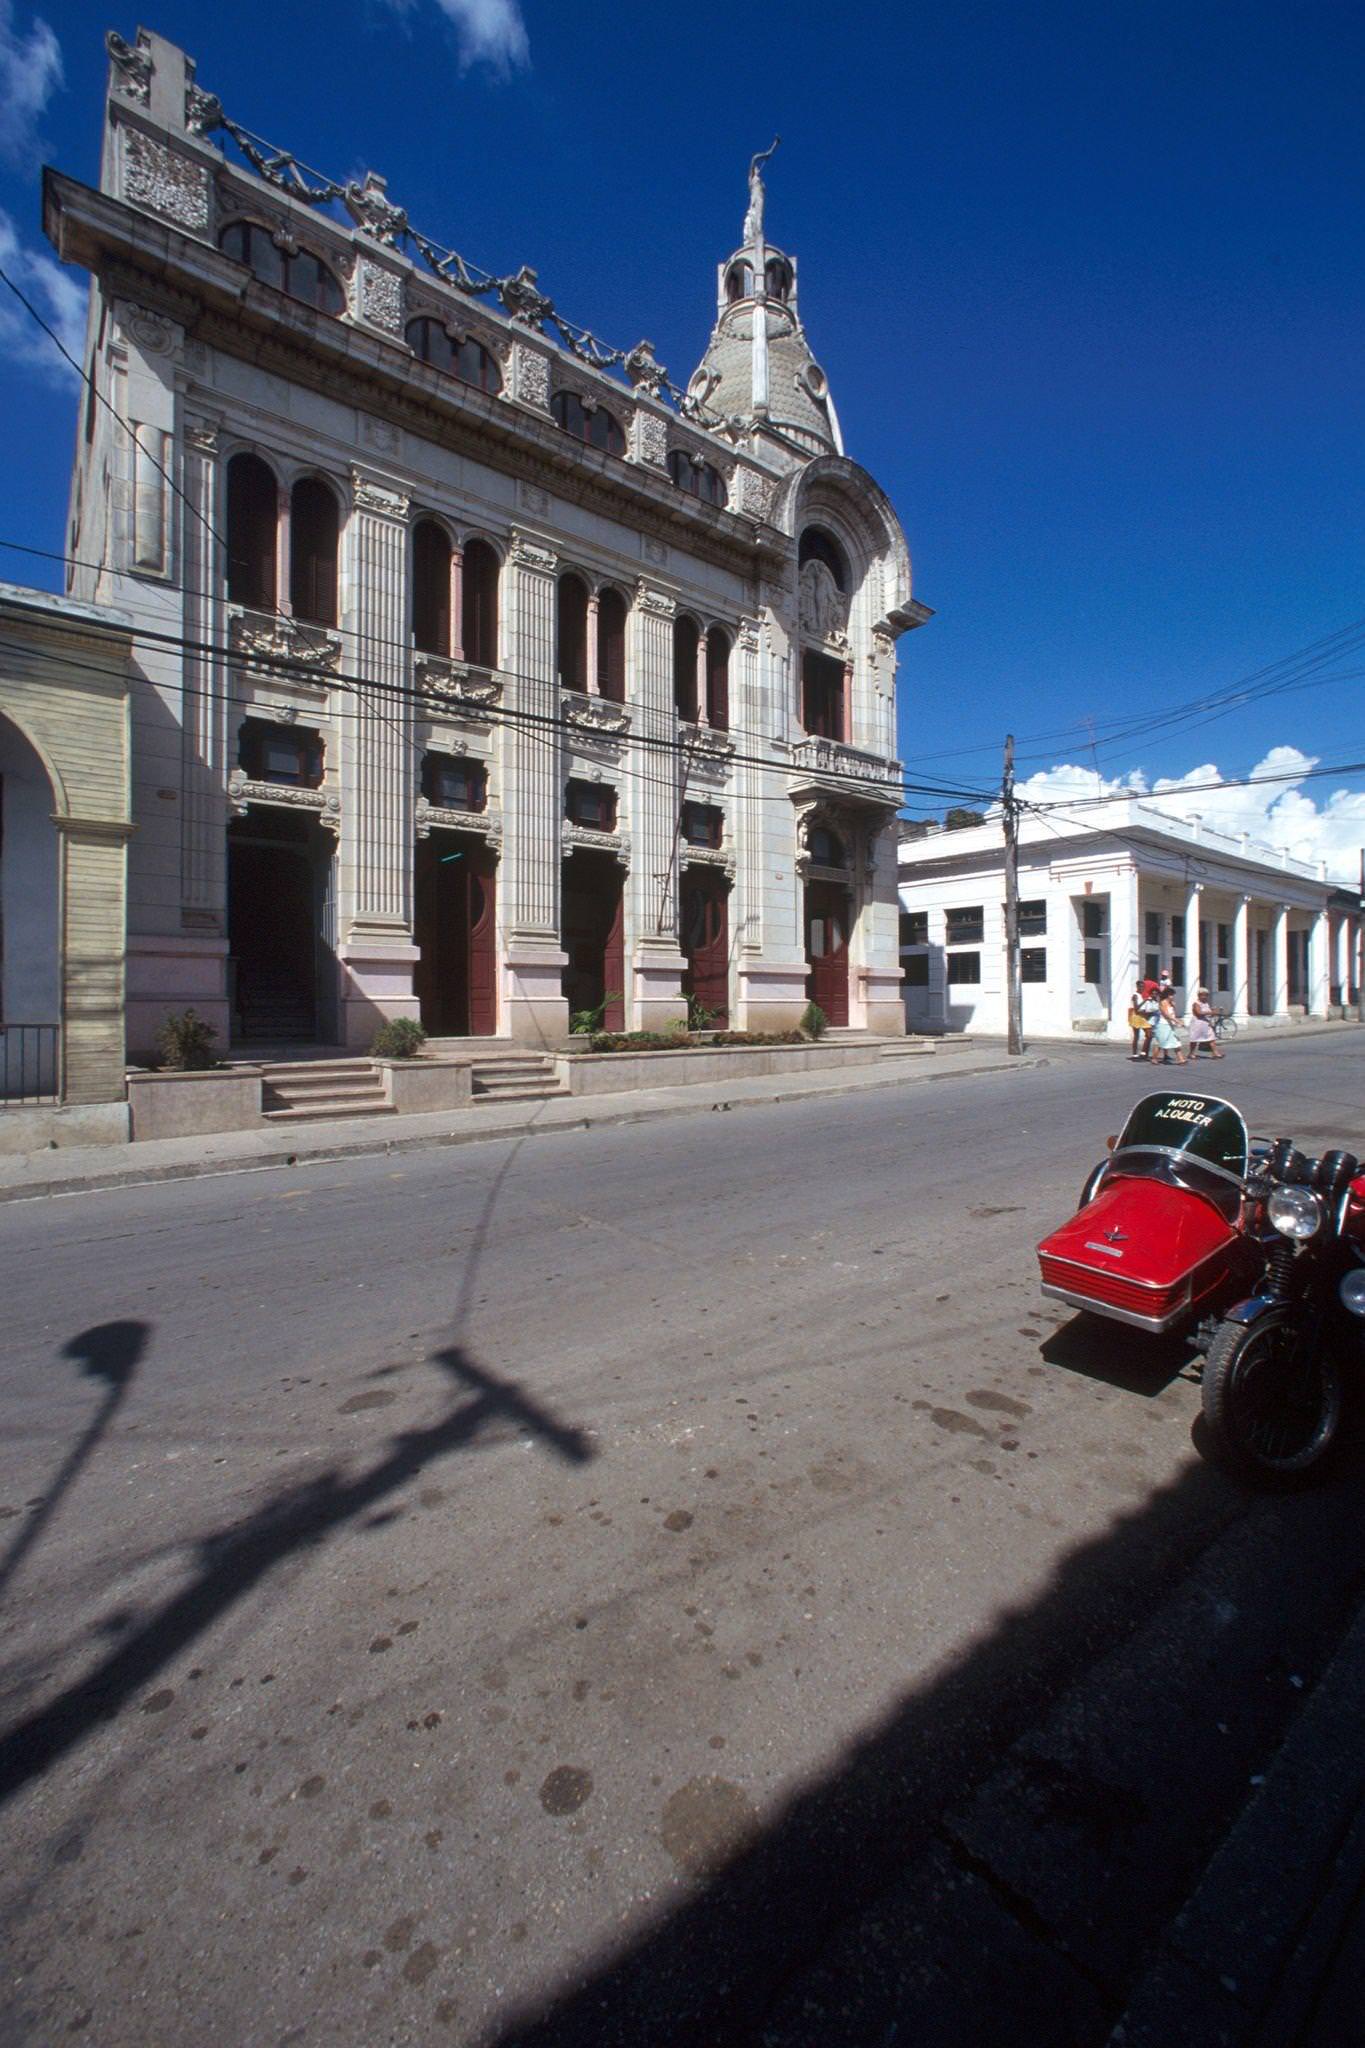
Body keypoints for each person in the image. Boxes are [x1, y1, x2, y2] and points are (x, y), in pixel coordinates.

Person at [1148, 980, 1187, 1065]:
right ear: (1167, 995)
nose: (1173, 997)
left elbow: (1173, 1014)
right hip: (1163, 1025)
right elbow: (1166, 1015)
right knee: (1160, 1042)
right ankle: (1154, 1059)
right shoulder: (1162, 1003)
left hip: (1170, 1025)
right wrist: (1176, 1020)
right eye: (1171, 995)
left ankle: (1181, 1059)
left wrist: (1176, 1018)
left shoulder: (1171, 1003)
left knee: (1176, 1041)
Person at [1187, 986, 1224, 1060]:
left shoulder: (1206, 1003)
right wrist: (1210, 1012)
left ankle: (1215, 1053)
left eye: (1206, 995)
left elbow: (1209, 1012)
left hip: (1206, 1023)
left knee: (1211, 1038)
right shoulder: (1196, 1003)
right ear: (1199, 995)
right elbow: (1199, 1012)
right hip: (1198, 1023)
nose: (1205, 997)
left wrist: (1214, 1013)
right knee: (1195, 1039)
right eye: (1203, 995)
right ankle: (1191, 1053)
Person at [1127, 981, 1156, 1059]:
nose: (1142, 988)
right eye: (1140, 986)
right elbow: (1136, 1008)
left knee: (1149, 1034)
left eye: (1143, 987)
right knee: (1136, 1036)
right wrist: (1145, 1000)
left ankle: (1144, 1052)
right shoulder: (1135, 996)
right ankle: (1134, 1054)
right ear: (1137, 986)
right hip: (1136, 1016)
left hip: (1142, 1016)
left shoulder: (1141, 995)